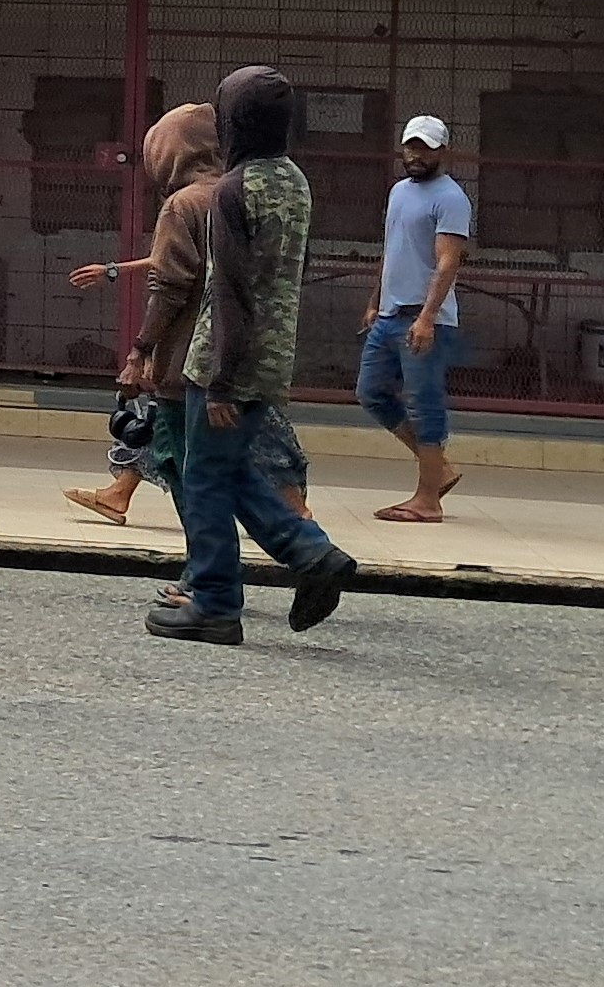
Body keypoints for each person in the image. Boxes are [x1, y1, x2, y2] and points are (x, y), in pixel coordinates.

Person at [147, 67, 360, 646]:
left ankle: (215, 604)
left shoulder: (233, 189)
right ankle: (312, 555)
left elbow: (231, 291)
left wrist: (220, 381)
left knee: (204, 479)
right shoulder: (294, 181)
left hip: (223, 359)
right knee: (230, 468)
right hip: (271, 355)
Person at [63, 102, 220, 525]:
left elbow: (170, 283)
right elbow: (174, 262)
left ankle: (290, 528)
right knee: (174, 435)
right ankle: (121, 492)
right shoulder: (234, 197)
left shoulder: (184, 204)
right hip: (234, 353)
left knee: (191, 450)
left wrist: (140, 351)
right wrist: (114, 270)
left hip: (189, 355)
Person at [358, 115, 474, 523]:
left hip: (425, 320)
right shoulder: (399, 192)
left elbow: (448, 263)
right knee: (371, 393)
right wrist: (375, 301)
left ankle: (428, 501)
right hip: (389, 315)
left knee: (425, 405)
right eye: (411, 146)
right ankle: (439, 469)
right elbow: (392, 250)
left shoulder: (451, 198)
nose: (415, 155)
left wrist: (426, 318)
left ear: (444, 152)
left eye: (425, 148)